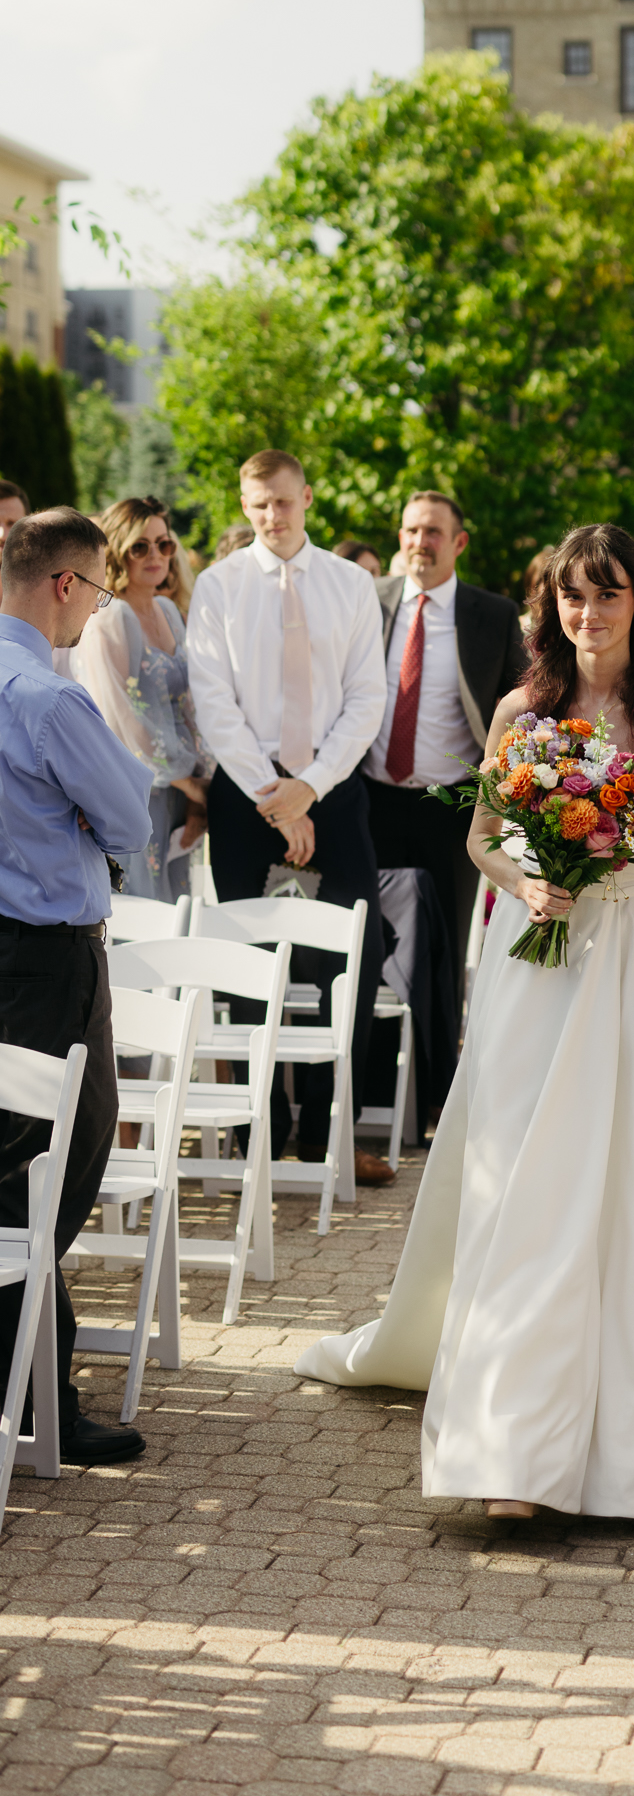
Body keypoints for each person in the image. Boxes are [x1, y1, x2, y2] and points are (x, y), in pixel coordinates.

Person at [296, 522, 634, 1521]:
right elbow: (479, 837)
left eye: (605, 594)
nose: (587, 612)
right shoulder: (522, 707)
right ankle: (512, 1441)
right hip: (535, 963)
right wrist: (531, 875)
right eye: (570, 597)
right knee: (530, 1181)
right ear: (550, 608)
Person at [186, 450, 394, 1186]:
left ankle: (326, 1134)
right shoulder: (216, 588)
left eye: (282, 502)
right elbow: (213, 703)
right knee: (242, 959)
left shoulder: (350, 584)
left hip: (331, 786)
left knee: (356, 951)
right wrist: (273, 798)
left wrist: (308, 788)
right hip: (245, 794)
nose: (272, 517)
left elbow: (367, 697)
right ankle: (258, 1136)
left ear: (306, 496)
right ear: (243, 507)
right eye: (257, 505)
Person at [0, 507, 154, 1465]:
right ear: (66, 583)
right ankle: (30, 1396)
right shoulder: (49, 701)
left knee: (17, 1168)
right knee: (54, 1163)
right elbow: (131, 821)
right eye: (98, 589)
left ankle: (35, 1390)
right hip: (47, 962)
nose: (95, 609)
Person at [364, 493, 525, 1035]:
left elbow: (519, 707)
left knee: (445, 946)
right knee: (373, 945)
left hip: (451, 803)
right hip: (371, 799)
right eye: (411, 531)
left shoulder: (493, 615)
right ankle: (377, 1086)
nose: (419, 543)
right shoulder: (367, 599)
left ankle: (435, 1089)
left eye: (433, 532)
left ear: (458, 542)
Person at [71, 497, 212, 901]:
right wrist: (190, 783)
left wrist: (200, 781)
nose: (156, 555)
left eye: (164, 544)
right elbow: (119, 718)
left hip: (184, 792)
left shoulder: (168, 610)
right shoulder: (110, 618)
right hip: (138, 791)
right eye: (140, 546)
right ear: (117, 551)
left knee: (179, 904)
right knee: (142, 910)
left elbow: (191, 703)